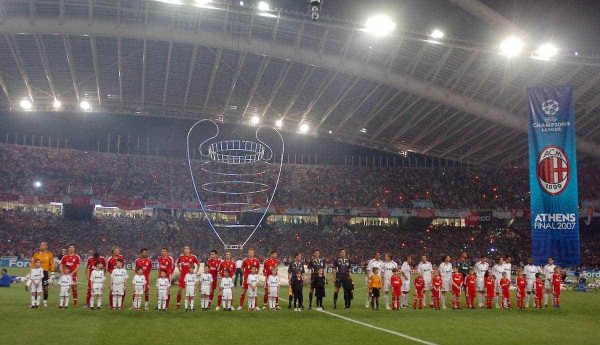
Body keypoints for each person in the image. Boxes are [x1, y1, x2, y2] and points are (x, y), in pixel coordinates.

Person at [31, 241, 54, 308]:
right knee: (35, 287)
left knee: (45, 288)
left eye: (43, 245)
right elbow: (32, 263)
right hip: (37, 273)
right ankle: (35, 303)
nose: (41, 246)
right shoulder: (36, 254)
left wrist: (52, 272)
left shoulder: (49, 254)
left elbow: (51, 264)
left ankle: (45, 302)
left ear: (46, 246)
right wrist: (32, 270)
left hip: (45, 272)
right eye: (40, 245)